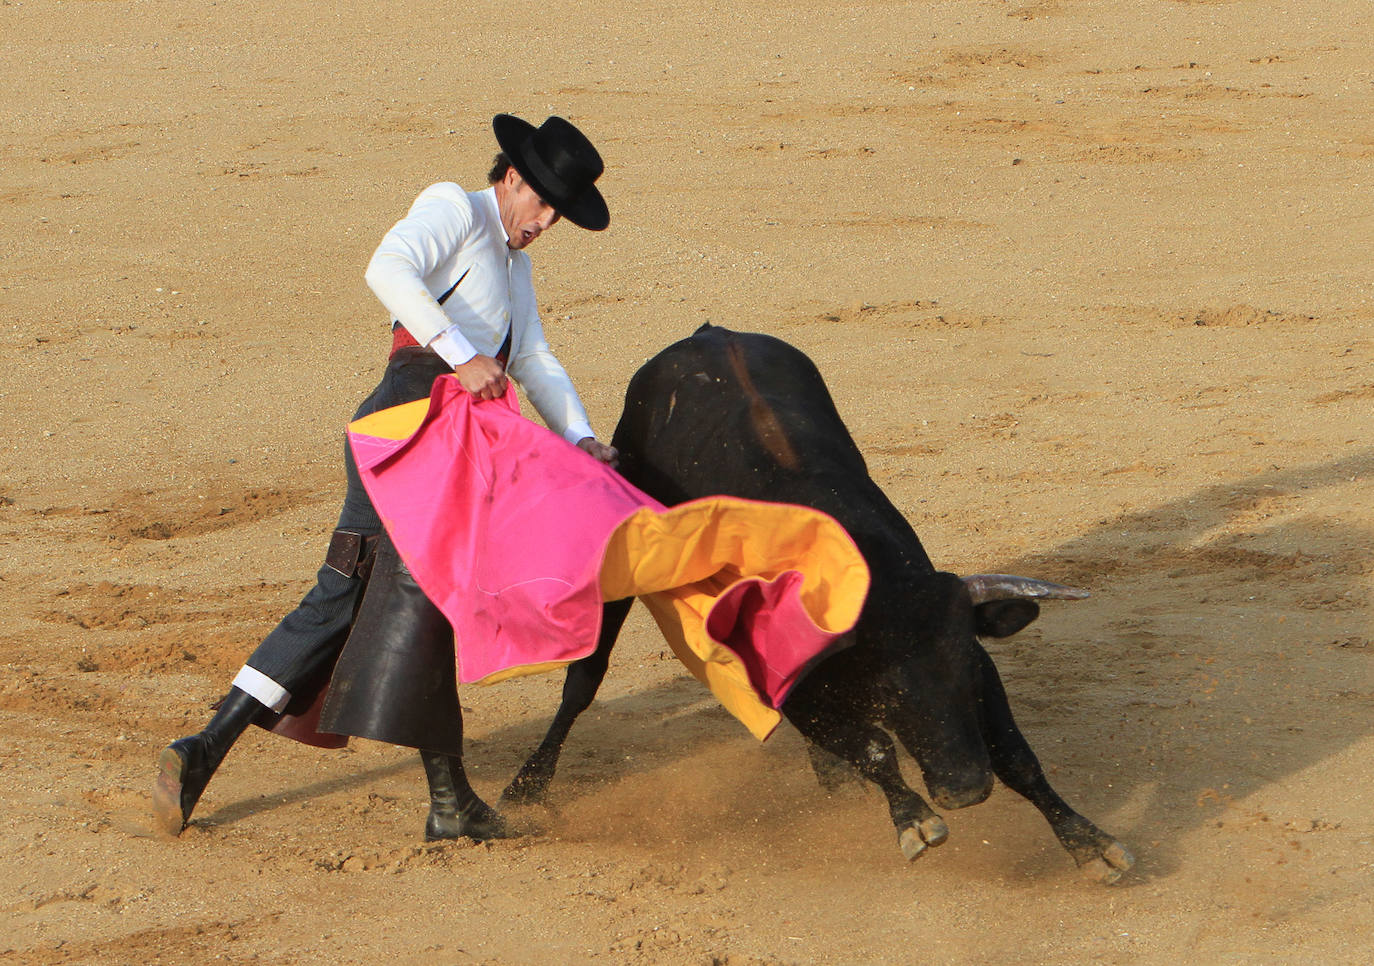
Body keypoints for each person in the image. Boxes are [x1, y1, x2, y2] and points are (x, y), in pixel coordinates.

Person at [153, 114, 616, 837]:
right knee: (412, 594)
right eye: (543, 203)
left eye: (560, 213)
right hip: (409, 425)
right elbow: (387, 266)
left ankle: (204, 751)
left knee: (361, 595)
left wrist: (582, 436)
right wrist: (460, 352)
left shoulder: (513, 266)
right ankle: (447, 802)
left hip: (435, 439)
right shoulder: (455, 209)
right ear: (512, 178)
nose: (547, 222)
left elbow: (534, 360)